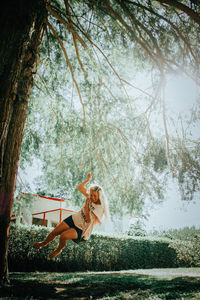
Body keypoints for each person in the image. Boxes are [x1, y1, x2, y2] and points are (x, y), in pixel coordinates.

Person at [33, 173, 109, 258]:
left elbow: (88, 219)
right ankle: (43, 243)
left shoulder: (100, 208)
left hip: (81, 229)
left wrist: (87, 204)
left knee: (63, 236)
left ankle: (58, 250)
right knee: (54, 232)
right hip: (74, 219)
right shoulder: (90, 197)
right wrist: (87, 180)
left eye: (95, 196)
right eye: (91, 195)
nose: (92, 197)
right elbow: (79, 188)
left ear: (99, 196)